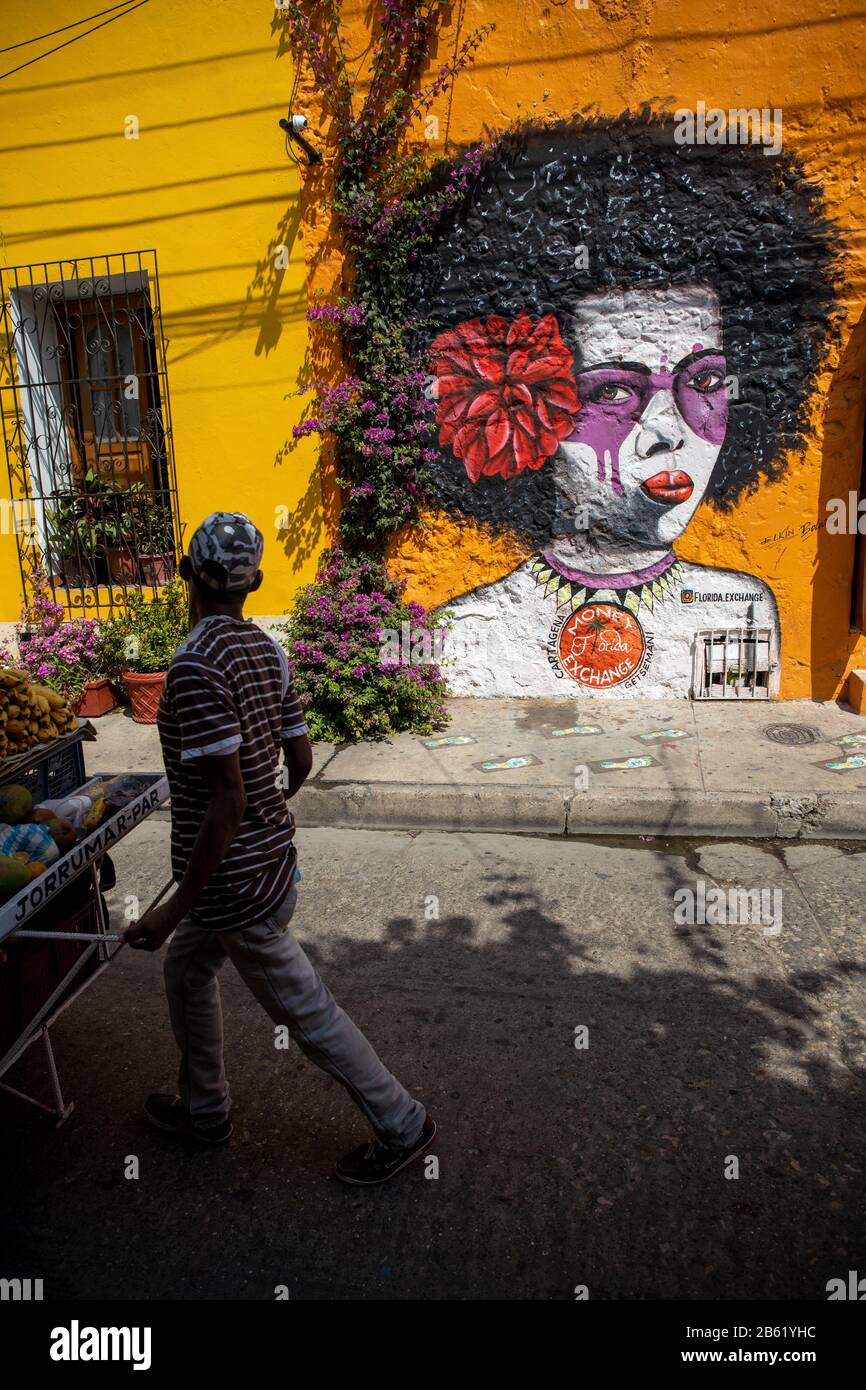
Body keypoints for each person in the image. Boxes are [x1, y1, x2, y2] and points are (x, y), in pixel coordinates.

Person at [413, 115, 838, 698]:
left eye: (706, 380)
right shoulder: (461, 634)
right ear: (525, 414)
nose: (666, 432)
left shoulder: (741, 611)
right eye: (612, 391)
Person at [125, 511, 434, 1185]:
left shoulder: (195, 669)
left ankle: (402, 1122)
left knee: (307, 1013)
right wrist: (272, 807)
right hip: (261, 866)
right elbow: (299, 759)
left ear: (186, 577)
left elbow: (227, 803)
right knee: (186, 972)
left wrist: (168, 911)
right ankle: (204, 1109)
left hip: (234, 887)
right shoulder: (268, 651)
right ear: (255, 583)